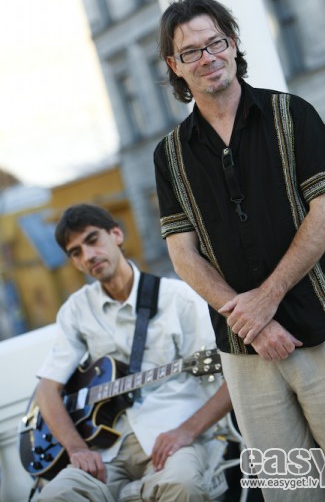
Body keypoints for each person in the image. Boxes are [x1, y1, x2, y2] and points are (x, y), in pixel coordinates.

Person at [153, 0, 325, 501]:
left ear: (233, 43)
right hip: (246, 356)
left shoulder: (293, 114)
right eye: (191, 51)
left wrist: (267, 298)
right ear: (174, 66)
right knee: (289, 494)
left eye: (215, 42)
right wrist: (254, 322)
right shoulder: (169, 155)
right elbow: (183, 255)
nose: (208, 57)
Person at [34, 203, 232, 502]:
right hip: (106, 453)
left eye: (92, 240)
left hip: (172, 439)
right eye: (76, 252)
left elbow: (233, 377)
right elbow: (47, 390)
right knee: (54, 496)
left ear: (116, 234)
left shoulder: (177, 298)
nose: (88, 255)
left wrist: (187, 431)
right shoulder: (76, 310)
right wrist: (76, 448)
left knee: (183, 486)